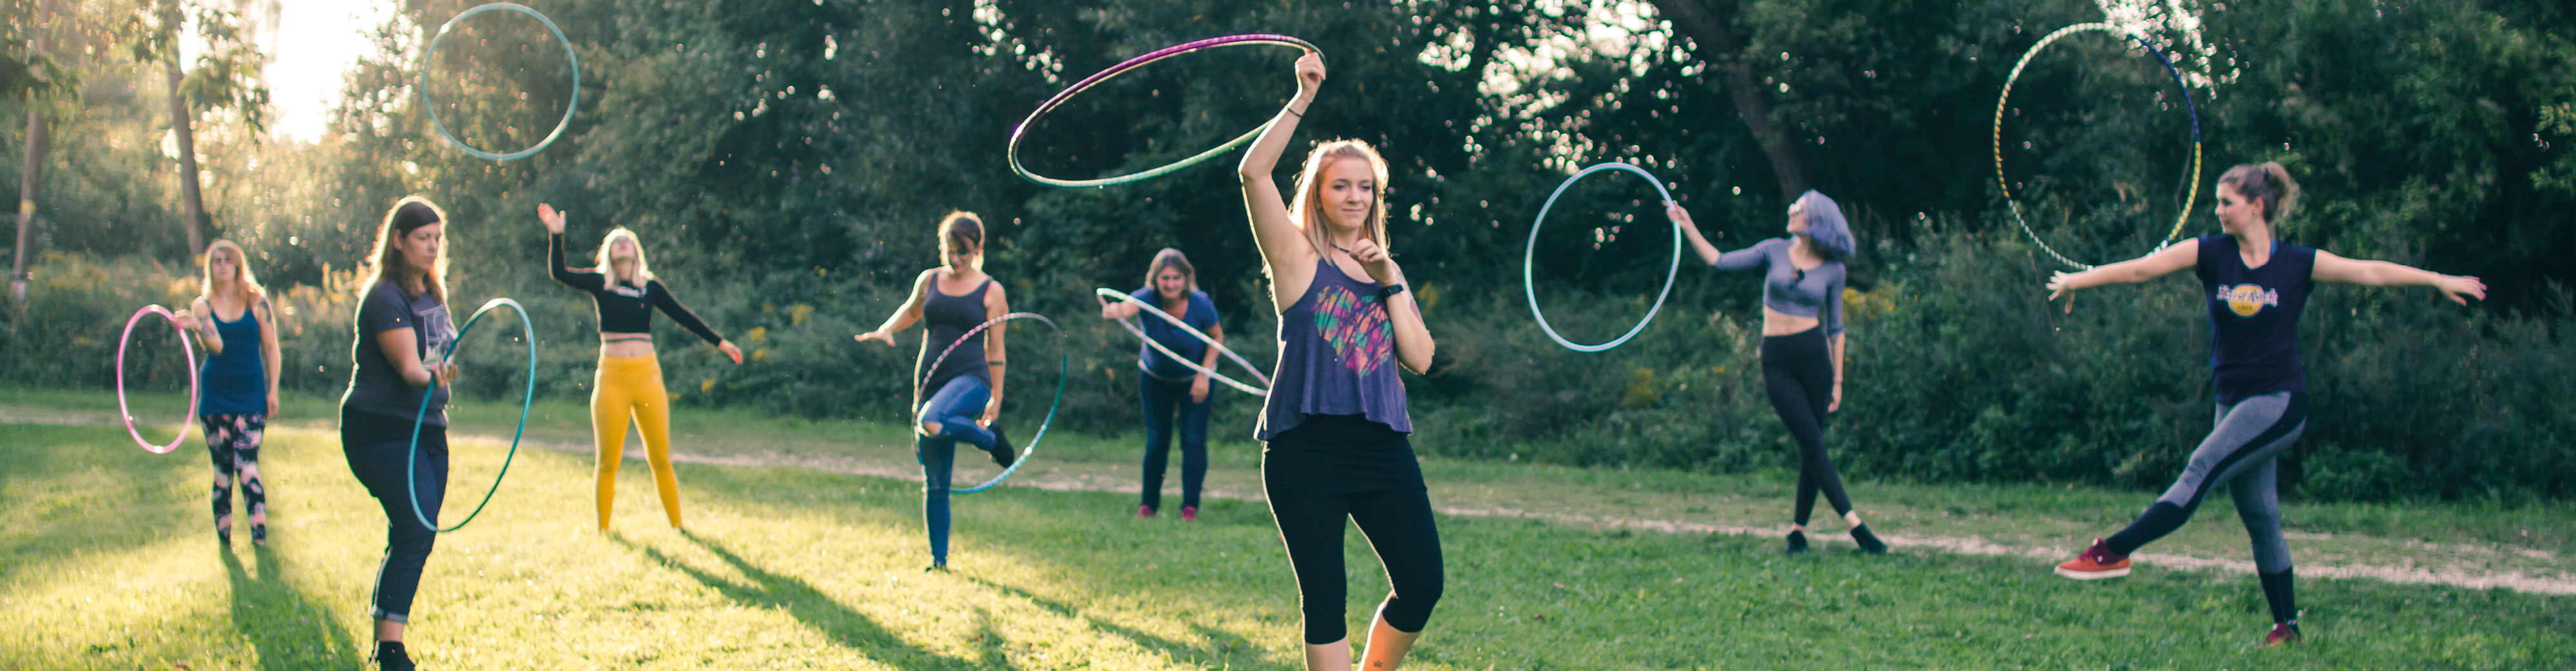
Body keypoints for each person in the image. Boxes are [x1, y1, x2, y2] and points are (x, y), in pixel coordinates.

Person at [2044, 162, 2487, 645]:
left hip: (2278, 401)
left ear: (2256, 207)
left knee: (2200, 468)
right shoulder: (2211, 254)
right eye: (2216, 203)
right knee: (2260, 517)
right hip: (2231, 402)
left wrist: (2438, 279)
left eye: (2226, 203)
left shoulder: (2297, 263)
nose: (2218, 212)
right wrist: (2076, 282)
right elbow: (2139, 270)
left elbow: (2371, 272)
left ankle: (2114, 551)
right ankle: (2287, 627)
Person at [1238, 52, 1442, 671]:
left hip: (1381, 446)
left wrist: (1389, 281)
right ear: (1318, 195)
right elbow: (1252, 173)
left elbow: (1422, 359)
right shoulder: (1296, 259)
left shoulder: (1387, 267)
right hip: (1305, 449)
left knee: (1423, 583)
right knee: (1326, 600)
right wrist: (1302, 98)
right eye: (1340, 185)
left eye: (1365, 186)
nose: (1355, 196)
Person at [1667, 192, 1887, 556]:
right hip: (1777, 361)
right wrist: (1688, 225)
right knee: (1813, 443)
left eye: (1798, 209)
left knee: (1811, 447)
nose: (1790, 211)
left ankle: (1797, 533)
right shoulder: (1773, 250)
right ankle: (1859, 530)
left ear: (1814, 219)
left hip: (1814, 359)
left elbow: (1836, 328)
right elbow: (1720, 262)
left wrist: (1838, 381)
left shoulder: (1834, 269)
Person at [536, 204, 743, 532]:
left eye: (626, 240)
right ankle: (603, 530)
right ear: (608, 253)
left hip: (647, 377)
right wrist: (557, 235)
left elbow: (682, 315)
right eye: (614, 240)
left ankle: (678, 527)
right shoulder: (600, 284)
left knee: (661, 459)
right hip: (612, 379)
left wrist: (721, 343)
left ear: (635, 251)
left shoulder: (651, 287)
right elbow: (560, 273)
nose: (621, 242)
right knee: (607, 462)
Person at [854, 211, 1019, 570]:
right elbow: (912, 312)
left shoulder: (992, 291)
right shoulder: (930, 280)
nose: (956, 259)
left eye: (964, 252)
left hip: (972, 380)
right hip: (930, 378)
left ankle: (991, 441)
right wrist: (887, 329)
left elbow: (996, 349)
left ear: (977, 249)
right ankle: (939, 562)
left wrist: (997, 396)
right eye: (950, 251)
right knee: (936, 482)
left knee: (933, 421)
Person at [338, 196, 461, 671]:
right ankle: (390, 649)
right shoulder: (385, 297)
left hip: (429, 428)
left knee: (418, 532)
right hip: (380, 429)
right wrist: (436, 373)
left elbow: (438, 358)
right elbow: (411, 369)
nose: (432, 248)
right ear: (398, 241)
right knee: (414, 527)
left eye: (437, 239)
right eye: (423, 239)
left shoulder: (431, 293)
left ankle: (385, 641)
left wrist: (443, 371)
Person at [1097, 249, 1226, 521]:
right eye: (1165, 278)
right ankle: (1148, 506)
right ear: (1155, 279)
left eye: (1176, 278)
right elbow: (1126, 307)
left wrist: (1204, 375)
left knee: (1193, 441)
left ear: (1186, 279)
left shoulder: (1200, 303)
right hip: (1155, 380)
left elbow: (1216, 338)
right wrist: (1115, 310)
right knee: (1157, 442)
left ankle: (1190, 507)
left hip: (1195, 380)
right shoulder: (1146, 298)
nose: (1170, 284)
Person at [171, 240, 281, 547]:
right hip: (216, 396)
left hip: (251, 396)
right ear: (210, 267)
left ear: (237, 265)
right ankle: (225, 542)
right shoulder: (202, 305)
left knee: (246, 466)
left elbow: (271, 348)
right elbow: (216, 346)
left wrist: (273, 391)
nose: (221, 265)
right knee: (223, 472)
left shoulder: (257, 302)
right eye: (216, 260)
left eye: (227, 260)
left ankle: (260, 539)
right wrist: (196, 325)